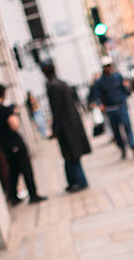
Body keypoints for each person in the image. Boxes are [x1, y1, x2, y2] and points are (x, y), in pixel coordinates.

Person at [0, 84, 47, 205]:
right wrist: (15, 114)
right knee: (25, 168)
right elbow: (14, 126)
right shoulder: (5, 110)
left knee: (13, 169)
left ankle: (13, 196)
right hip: (14, 142)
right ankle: (32, 194)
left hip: (4, 145)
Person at [42, 63, 91, 193]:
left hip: (66, 127)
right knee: (72, 156)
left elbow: (57, 110)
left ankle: (79, 181)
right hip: (71, 124)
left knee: (71, 156)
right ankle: (75, 181)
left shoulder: (54, 87)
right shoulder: (62, 84)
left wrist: (55, 129)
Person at [93, 56, 134, 160]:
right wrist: (100, 105)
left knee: (127, 126)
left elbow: (125, 90)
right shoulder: (100, 82)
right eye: (106, 66)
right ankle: (122, 148)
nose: (109, 68)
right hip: (110, 109)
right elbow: (97, 95)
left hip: (121, 106)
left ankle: (132, 145)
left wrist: (127, 90)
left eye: (110, 66)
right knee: (116, 131)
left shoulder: (118, 77)